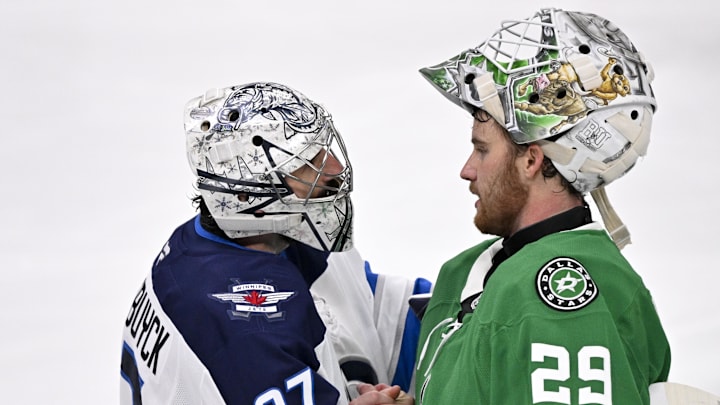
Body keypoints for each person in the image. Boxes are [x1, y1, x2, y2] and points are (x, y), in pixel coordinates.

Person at [371, 7, 668, 405]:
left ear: (531, 160)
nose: (467, 170)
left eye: (482, 149)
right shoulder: (468, 270)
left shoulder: (561, 288)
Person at [119, 82, 430, 404]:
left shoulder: (266, 234)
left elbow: (367, 305)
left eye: (321, 149)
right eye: (303, 162)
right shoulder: (247, 333)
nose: (335, 168)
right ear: (244, 194)